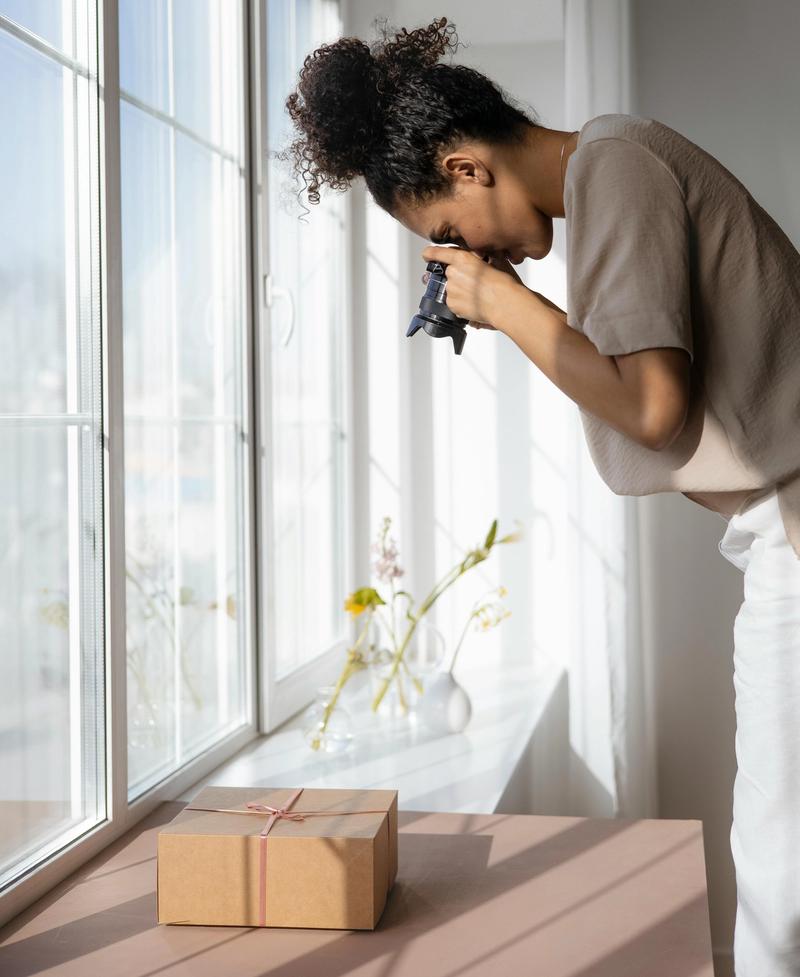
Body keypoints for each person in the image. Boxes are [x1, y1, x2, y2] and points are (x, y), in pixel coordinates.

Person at [281, 15, 800, 975]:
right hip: (780, 530)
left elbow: (652, 406)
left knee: (780, 874)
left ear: (466, 166)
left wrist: (506, 307)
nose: (467, 258)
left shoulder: (615, 168)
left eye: (445, 233)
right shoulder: (616, 165)